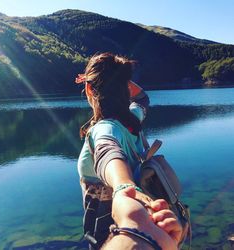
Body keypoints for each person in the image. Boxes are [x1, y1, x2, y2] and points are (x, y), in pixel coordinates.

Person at [76, 52, 182, 249]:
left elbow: (107, 153)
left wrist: (123, 186)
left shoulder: (103, 129)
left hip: (112, 235)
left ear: (89, 89)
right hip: (147, 222)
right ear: (126, 87)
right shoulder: (132, 119)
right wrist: (119, 78)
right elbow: (142, 98)